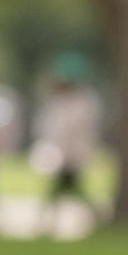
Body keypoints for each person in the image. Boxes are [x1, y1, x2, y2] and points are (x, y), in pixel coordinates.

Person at [34, 58, 101, 232]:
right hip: (61, 154)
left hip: (71, 155)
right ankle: (50, 221)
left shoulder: (80, 103)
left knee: (66, 190)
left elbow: (72, 132)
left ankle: (48, 222)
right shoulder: (60, 103)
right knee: (67, 191)